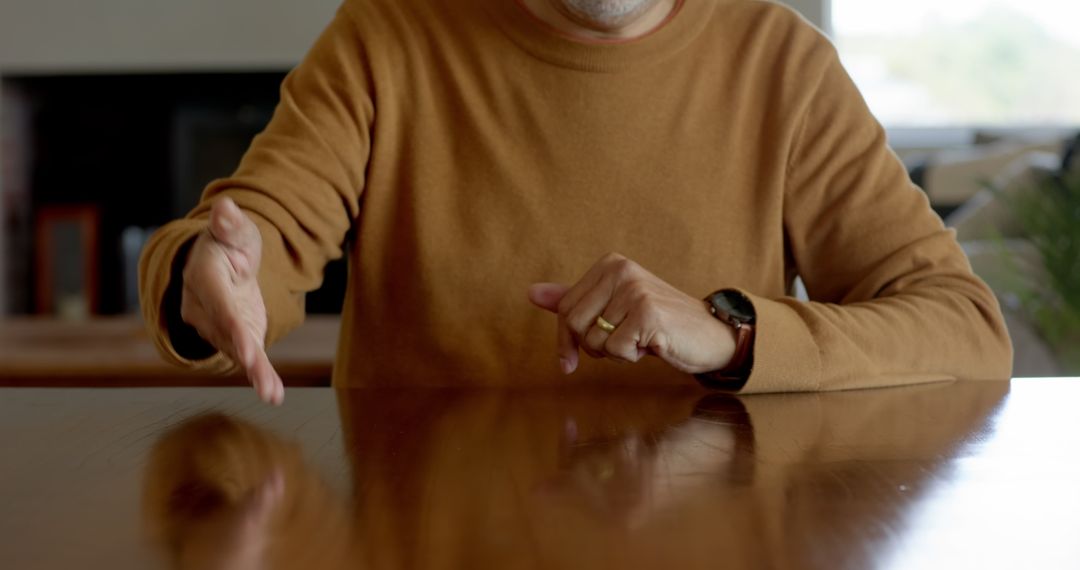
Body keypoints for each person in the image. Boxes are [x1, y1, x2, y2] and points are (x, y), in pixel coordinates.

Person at [139, 0, 1013, 405]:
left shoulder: (784, 65)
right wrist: (199, 272)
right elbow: (259, 239)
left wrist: (733, 336)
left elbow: (964, 329)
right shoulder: (385, 35)